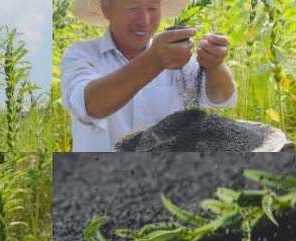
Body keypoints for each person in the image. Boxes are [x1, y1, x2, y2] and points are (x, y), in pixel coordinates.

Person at [62, 0, 237, 152]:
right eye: (133, 8)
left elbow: (221, 98)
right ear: (107, 8)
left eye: (152, 8)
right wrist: (154, 61)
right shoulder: (82, 54)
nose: (144, 21)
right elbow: (90, 105)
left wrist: (214, 66)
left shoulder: (178, 57)